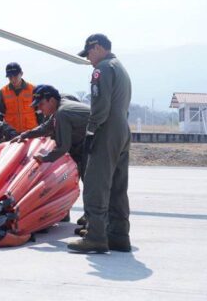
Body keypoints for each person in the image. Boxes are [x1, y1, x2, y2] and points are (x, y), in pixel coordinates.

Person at [67, 33, 132, 254]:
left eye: (89, 53)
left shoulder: (101, 69)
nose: (89, 59)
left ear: (97, 47)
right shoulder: (121, 68)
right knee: (117, 187)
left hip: (106, 130)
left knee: (95, 184)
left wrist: (91, 131)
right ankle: (119, 235)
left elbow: (100, 105)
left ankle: (95, 237)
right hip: (122, 129)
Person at [13, 84, 90, 224]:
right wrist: (26, 135)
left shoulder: (62, 113)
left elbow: (63, 147)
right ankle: (65, 212)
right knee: (70, 179)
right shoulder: (62, 103)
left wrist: (46, 158)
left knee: (90, 183)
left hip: (94, 144)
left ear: (52, 101)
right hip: (82, 145)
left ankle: (93, 220)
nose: (39, 109)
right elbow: (47, 127)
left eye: (41, 104)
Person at [0, 62, 39, 133]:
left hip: (31, 133)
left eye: (15, 76)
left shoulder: (33, 90)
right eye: (10, 77)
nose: (13, 79)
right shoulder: (2, 92)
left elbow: (40, 112)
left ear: (21, 74)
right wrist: (0, 133)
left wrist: (40, 132)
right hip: (11, 135)